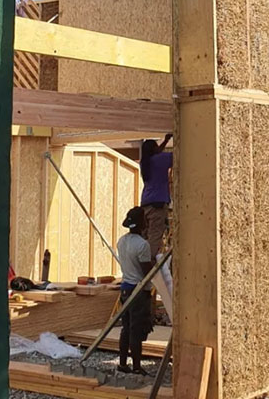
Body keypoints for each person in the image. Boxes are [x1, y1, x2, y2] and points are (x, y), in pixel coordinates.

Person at [116, 206, 154, 375]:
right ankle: (137, 367)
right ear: (142, 224)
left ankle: (123, 363)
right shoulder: (143, 245)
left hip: (125, 289)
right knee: (136, 330)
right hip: (138, 291)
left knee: (126, 327)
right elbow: (147, 272)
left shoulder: (122, 242)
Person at [140, 133, 173, 257]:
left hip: (146, 203)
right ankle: (148, 264)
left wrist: (166, 141)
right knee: (154, 236)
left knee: (146, 235)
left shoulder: (145, 163)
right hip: (157, 204)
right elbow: (178, 155)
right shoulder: (160, 160)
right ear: (154, 149)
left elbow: (158, 152)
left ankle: (141, 260)